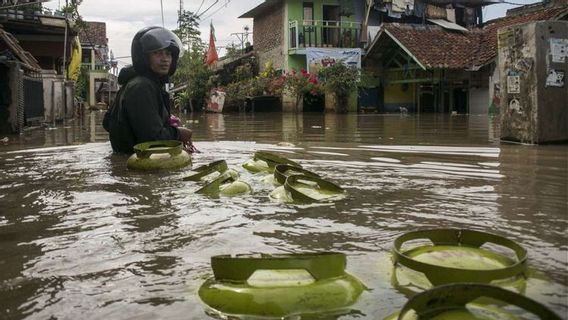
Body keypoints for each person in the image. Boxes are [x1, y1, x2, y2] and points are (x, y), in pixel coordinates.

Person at [103, 26, 196, 153]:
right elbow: (153, 139)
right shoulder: (142, 87)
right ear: (144, 57)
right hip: (138, 165)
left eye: (168, 54)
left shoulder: (133, 83)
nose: (165, 59)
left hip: (129, 161)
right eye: (157, 53)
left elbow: (107, 122)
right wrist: (179, 134)